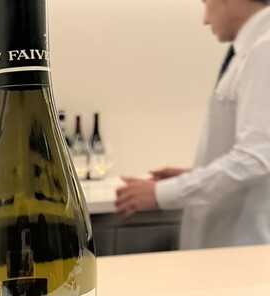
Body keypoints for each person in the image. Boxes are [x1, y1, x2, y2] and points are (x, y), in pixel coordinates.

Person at [115, 0, 270, 250]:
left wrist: (161, 193)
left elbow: (256, 158)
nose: (205, 19)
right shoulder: (251, 50)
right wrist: (195, 173)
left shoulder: (264, 50)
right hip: (229, 242)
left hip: (243, 244)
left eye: (206, 2)